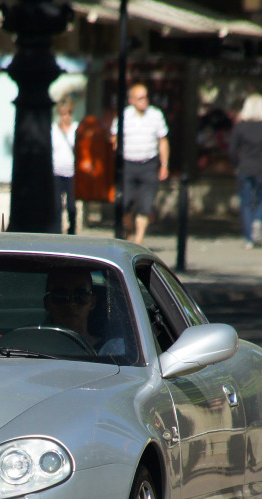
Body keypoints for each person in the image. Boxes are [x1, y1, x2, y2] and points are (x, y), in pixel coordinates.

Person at [111, 83, 169, 244]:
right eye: (140, 97)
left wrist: (164, 164)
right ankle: (129, 229)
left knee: (146, 204)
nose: (144, 100)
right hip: (128, 165)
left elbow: (163, 140)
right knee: (125, 203)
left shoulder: (155, 115)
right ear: (131, 100)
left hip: (149, 164)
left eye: (146, 97)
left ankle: (139, 239)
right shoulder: (124, 116)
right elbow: (114, 139)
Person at [228, 93, 262, 249]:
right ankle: (258, 220)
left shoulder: (241, 127)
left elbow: (232, 150)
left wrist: (236, 164)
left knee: (245, 203)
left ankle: (249, 238)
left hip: (245, 167)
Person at [43, 269, 126, 357]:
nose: (71, 303)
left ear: (92, 302)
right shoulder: (31, 349)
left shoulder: (113, 350)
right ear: (47, 302)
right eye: (60, 295)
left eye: (81, 295)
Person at [51, 96, 78, 234]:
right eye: (63, 113)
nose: (66, 116)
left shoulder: (76, 129)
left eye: (69, 113)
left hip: (72, 172)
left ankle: (71, 231)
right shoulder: (53, 130)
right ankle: (57, 231)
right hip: (56, 171)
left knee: (72, 206)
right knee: (57, 205)